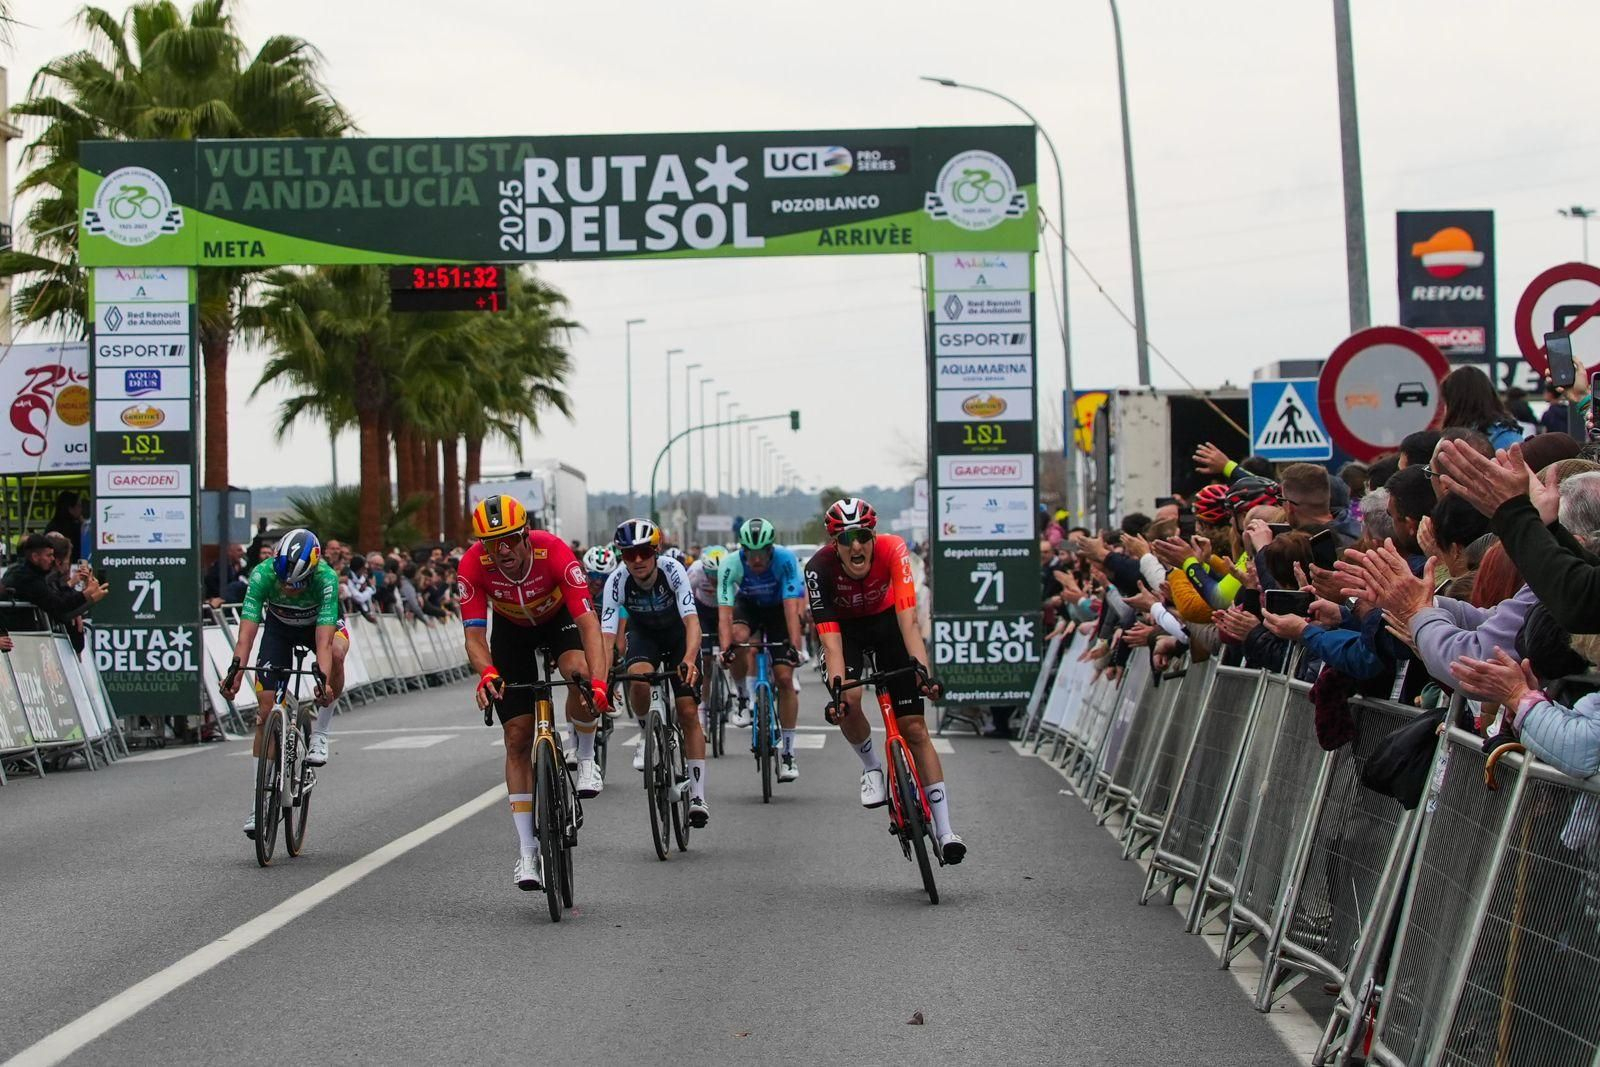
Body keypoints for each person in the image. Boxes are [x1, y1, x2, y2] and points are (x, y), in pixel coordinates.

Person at [459, 494, 610, 893]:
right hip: (512, 630)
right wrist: (487, 672)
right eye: (492, 543)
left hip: (557, 618)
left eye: (509, 539)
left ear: (526, 534)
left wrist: (598, 682)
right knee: (517, 737)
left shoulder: (555, 552)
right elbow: (473, 636)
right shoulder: (473, 564)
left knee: (576, 672)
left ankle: (587, 754)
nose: (501, 550)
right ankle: (528, 850)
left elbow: (589, 625)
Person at [807, 498, 963, 863]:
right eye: (846, 539)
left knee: (915, 730)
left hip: (888, 624)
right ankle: (871, 767)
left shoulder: (894, 549)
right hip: (847, 633)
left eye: (862, 536)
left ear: (874, 535)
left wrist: (922, 671)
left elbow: (909, 620)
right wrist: (837, 692)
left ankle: (945, 831)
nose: (856, 546)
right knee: (851, 700)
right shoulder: (819, 567)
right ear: (835, 545)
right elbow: (831, 642)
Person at [219, 529, 349, 840]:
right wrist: (235, 671)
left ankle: (320, 732)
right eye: (284, 582)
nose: (290, 588)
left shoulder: (326, 579)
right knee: (265, 713)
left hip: (318, 626)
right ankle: (258, 802)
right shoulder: (262, 573)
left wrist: (323, 679)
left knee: (336, 653)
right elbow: (247, 633)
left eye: (297, 583)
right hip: (279, 630)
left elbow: (324, 639)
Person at [600, 519, 710, 825]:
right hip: (644, 635)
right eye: (628, 553)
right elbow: (607, 638)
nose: (637, 560)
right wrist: (601, 678)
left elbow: (692, 622)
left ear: (655, 550)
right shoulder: (616, 581)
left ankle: (698, 795)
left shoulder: (673, 570)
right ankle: (647, 731)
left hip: (678, 637)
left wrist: (689, 657)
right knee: (637, 679)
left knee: (688, 710)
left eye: (644, 552)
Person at [717, 517, 807, 782]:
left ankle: (789, 753)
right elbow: (724, 613)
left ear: (771, 549)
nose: (755, 560)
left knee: (784, 678)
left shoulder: (786, 560)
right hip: (749, 606)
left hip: (779, 609)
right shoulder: (730, 564)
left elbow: (792, 609)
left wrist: (797, 649)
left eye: (761, 554)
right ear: (742, 550)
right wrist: (725, 650)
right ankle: (743, 697)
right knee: (737, 637)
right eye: (750, 553)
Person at [4, 533, 106, 630]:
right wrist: (86, 596)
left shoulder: (30, 573)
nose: (52, 559)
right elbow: (57, 606)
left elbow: (58, 598)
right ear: (35, 557)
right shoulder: (27, 579)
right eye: (48, 555)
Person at [685, 545, 728, 729]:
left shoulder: (732, 571)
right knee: (706, 661)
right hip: (702, 611)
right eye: (711, 574)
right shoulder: (695, 571)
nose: (715, 579)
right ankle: (702, 708)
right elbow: (684, 599)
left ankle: (730, 691)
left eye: (718, 574)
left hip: (724, 609)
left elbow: (741, 602)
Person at [1440, 365, 1523, 451]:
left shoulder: (1504, 437)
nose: (1445, 410)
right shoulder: (1506, 433)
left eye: (1446, 402)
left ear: (1455, 404)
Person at [44, 491, 85, 562]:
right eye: (79, 506)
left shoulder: (51, 526)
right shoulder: (76, 528)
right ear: (71, 509)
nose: (81, 509)